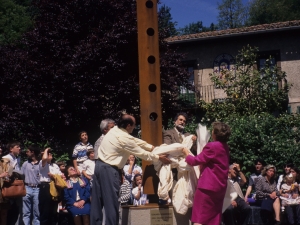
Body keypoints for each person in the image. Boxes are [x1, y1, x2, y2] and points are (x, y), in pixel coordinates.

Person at [90, 113, 170, 225]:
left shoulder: (115, 130)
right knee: (111, 203)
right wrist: (158, 157)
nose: (135, 127)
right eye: (134, 125)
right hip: (109, 169)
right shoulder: (123, 138)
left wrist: (152, 147)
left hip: (99, 166)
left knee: (97, 203)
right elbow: (141, 153)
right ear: (128, 125)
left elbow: (135, 141)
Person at [182, 121, 231, 225]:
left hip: (207, 188)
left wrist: (186, 153)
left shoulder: (212, 146)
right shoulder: (226, 147)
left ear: (215, 133)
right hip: (220, 188)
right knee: (213, 219)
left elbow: (195, 161)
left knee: (199, 218)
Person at [39, 148, 63, 225]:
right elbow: (45, 158)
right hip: (45, 186)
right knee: (45, 210)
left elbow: (60, 176)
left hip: (55, 186)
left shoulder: (55, 165)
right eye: (48, 153)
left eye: (50, 153)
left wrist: (53, 176)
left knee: (53, 210)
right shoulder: (42, 163)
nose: (50, 154)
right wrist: (46, 149)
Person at [3, 141, 23, 225]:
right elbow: (6, 173)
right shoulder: (6, 158)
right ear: (11, 149)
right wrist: (13, 169)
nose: (19, 148)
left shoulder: (17, 158)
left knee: (16, 209)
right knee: (8, 210)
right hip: (8, 186)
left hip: (16, 185)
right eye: (17, 147)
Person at [21, 145, 41, 225]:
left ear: (32, 152)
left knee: (37, 212)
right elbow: (21, 175)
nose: (26, 153)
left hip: (37, 188)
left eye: (27, 151)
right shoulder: (25, 163)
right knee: (26, 212)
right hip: (27, 187)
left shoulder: (40, 164)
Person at [0, 155, 11, 225]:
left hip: (4, 192)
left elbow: (10, 172)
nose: (0, 149)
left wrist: (9, 173)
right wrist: (0, 176)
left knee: (4, 214)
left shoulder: (5, 161)